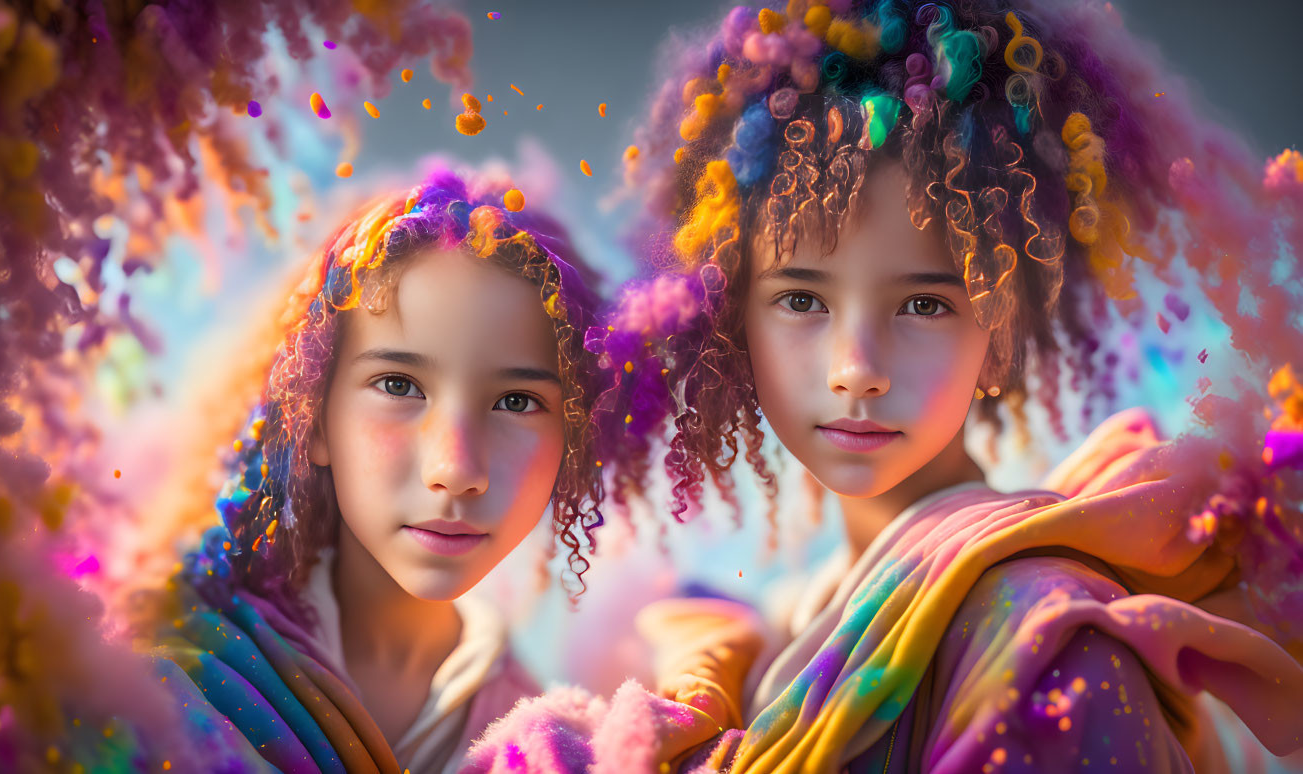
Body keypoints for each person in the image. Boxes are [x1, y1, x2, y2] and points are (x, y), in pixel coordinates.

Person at [463, 1, 1303, 771]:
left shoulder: (1049, 639)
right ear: (729, 325)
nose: (855, 367)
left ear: (999, 332)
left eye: (924, 303)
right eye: (800, 300)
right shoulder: (773, 623)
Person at [139, 167, 610, 773]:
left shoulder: (549, 738)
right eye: (398, 385)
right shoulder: (170, 671)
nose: (456, 468)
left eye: (517, 402)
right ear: (311, 419)